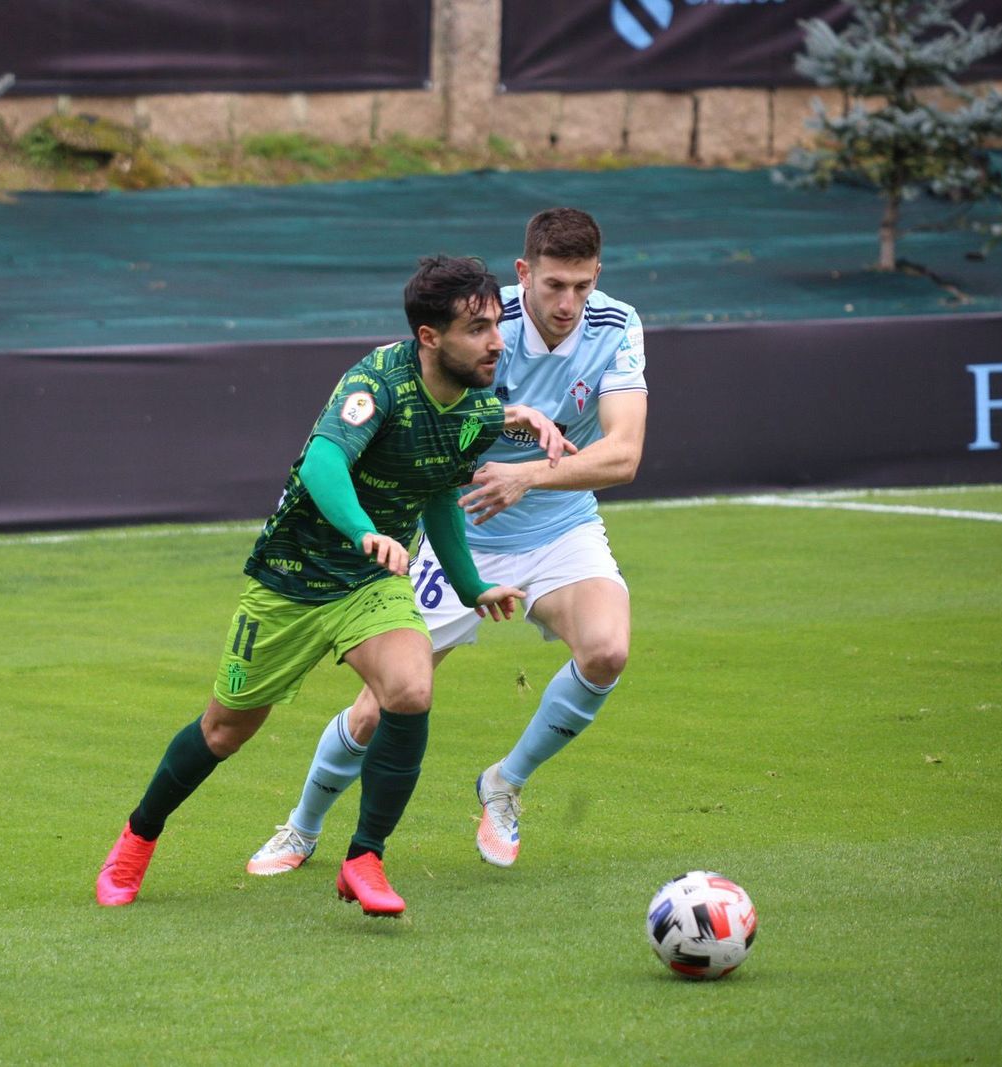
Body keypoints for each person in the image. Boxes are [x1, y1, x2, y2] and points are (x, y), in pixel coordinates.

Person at [96, 255, 574, 916]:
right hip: (291, 579)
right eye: (476, 328)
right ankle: (137, 837)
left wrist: (470, 585)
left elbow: (437, 491)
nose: (496, 341)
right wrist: (361, 530)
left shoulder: (478, 405)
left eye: (496, 324)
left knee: (409, 689)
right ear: (429, 337)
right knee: (223, 730)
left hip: (371, 584)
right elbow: (323, 458)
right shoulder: (377, 379)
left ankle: (364, 857)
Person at [246, 207, 647, 875]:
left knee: (607, 649)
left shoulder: (617, 324)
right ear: (525, 274)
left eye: (582, 285)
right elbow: (422, 404)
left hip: (559, 522)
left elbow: (624, 454)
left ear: (597, 276)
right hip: (456, 524)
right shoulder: (486, 322)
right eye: (553, 285)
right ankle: (302, 825)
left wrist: (524, 477)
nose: (568, 303)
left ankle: (505, 781)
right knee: (382, 703)